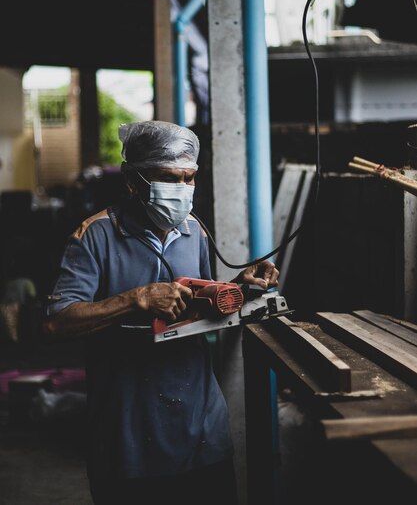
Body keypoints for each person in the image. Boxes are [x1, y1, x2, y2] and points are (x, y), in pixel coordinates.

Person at [43, 120, 279, 505]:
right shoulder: (96, 235)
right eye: (169, 178)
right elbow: (56, 323)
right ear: (134, 181)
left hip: (200, 427)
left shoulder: (195, 232)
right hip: (128, 434)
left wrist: (239, 286)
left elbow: (195, 307)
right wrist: (135, 299)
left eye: (189, 179)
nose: (182, 190)